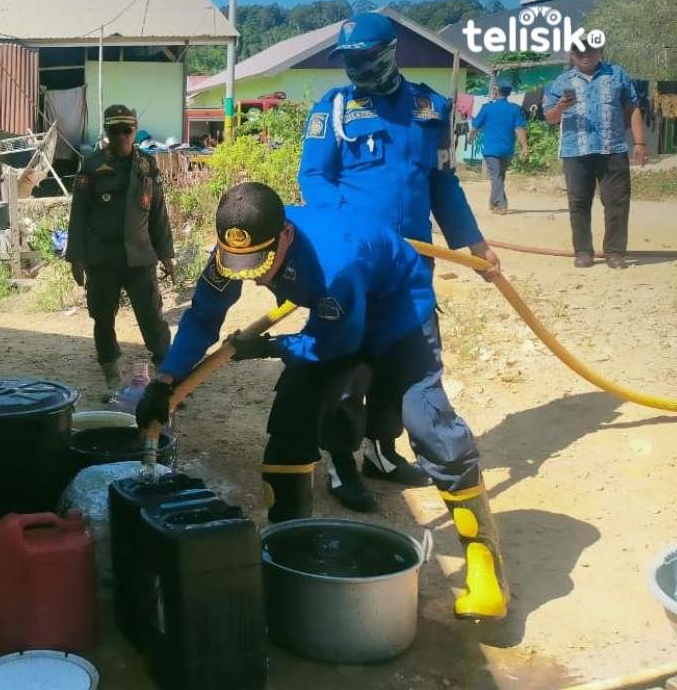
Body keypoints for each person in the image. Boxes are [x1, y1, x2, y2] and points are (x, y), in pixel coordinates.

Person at [136, 182, 509, 622]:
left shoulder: (337, 263)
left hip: (397, 314)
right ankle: (286, 546)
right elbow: (203, 314)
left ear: (287, 237)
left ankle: (485, 564)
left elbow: (337, 344)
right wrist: (166, 379)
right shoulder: (231, 251)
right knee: (293, 413)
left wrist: (274, 347)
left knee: (427, 421)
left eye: (260, 265)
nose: (252, 276)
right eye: (240, 265)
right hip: (337, 316)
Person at [299, 12, 501, 506]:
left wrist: (473, 244)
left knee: (405, 363)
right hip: (355, 267)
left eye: (366, 57)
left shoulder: (430, 108)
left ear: (391, 52)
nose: (357, 68)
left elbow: (442, 184)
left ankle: (380, 450)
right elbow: (313, 178)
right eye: (349, 60)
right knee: (347, 363)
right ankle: (341, 462)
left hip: (412, 268)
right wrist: (349, 226)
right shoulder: (336, 109)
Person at [66, 104, 175, 393]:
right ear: (107, 133)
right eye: (114, 131)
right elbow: (78, 215)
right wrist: (76, 258)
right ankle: (109, 367)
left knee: (152, 317)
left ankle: (167, 374)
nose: (120, 137)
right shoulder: (91, 167)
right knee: (102, 316)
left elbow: (158, 214)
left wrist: (166, 254)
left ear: (134, 131)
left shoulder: (147, 166)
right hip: (102, 259)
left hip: (140, 258)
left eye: (126, 131)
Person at [543, 41, 647, 269]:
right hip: (575, 152)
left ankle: (615, 252)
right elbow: (549, 118)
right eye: (579, 51)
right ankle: (583, 251)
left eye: (591, 50)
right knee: (578, 203)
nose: (585, 55)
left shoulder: (617, 74)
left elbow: (632, 108)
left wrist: (639, 142)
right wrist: (560, 108)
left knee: (617, 202)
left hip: (613, 150)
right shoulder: (560, 82)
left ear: (600, 52)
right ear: (572, 54)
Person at [469, 82, 530, 214]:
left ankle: (500, 205)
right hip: (508, 150)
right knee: (499, 176)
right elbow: (519, 129)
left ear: (496, 93)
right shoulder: (515, 109)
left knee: (497, 177)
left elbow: (475, 127)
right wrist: (525, 147)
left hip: (491, 150)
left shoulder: (487, 108)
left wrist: (470, 139)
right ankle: (493, 202)